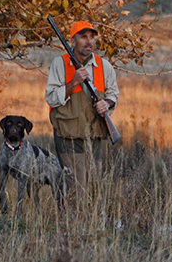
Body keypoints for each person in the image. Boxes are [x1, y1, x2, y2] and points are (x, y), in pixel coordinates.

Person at [44, 20, 119, 197]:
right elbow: (51, 98)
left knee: (94, 186)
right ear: (73, 41)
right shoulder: (60, 64)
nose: (89, 42)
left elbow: (113, 94)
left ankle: (88, 224)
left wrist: (106, 104)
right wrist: (74, 82)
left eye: (92, 37)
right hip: (68, 134)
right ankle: (71, 223)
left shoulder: (104, 66)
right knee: (75, 186)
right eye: (83, 37)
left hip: (94, 135)